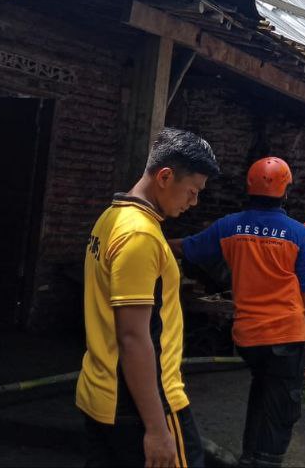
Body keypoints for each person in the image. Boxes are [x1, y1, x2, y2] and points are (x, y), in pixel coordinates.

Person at [76, 128, 221, 468]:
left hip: (102, 392)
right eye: (192, 191)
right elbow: (133, 336)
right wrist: (157, 428)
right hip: (140, 404)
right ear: (166, 177)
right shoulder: (139, 235)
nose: (194, 202)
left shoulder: (111, 218)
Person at [175, 157, 305, 467]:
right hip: (286, 337)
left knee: (262, 389)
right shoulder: (297, 234)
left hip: (248, 338)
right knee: (281, 407)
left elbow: (188, 247)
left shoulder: (231, 226)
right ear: (285, 192)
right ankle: (263, 460)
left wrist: (150, 239)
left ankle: (249, 457)